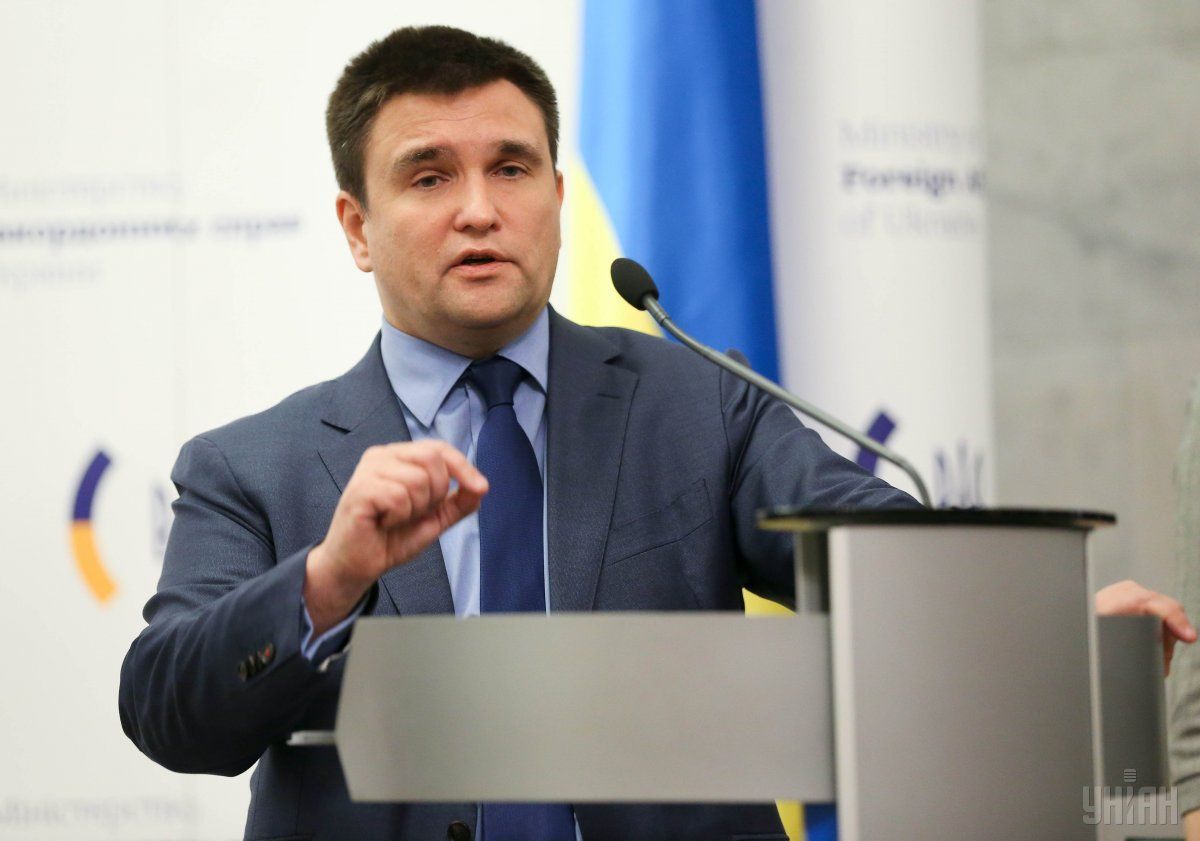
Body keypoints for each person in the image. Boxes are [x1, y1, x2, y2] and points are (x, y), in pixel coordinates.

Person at [118, 24, 1194, 841]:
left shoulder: (697, 401)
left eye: (512, 168)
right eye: (429, 175)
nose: (480, 209)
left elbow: (873, 551)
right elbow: (167, 710)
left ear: (556, 194)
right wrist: (327, 578)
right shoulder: (252, 464)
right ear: (357, 226)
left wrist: (1042, 633)